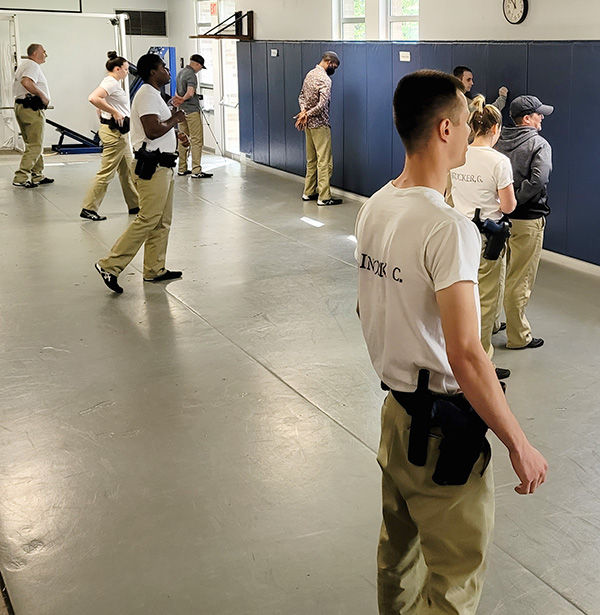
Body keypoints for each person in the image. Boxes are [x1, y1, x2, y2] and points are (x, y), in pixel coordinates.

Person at [355, 70, 547, 615]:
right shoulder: (448, 228)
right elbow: (466, 353)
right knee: (454, 584)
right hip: (442, 435)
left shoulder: (376, 205)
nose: (470, 133)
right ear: (444, 129)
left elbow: (368, 307)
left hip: (396, 416)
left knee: (398, 558)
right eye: (465, 124)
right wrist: (517, 443)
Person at [95, 53, 189, 294]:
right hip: (153, 166)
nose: (168, 71)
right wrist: (176, 118)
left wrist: (175, 134)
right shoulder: (147, 93)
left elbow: (160, 126)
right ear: (152, 72)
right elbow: (152, 130)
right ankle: (110, 265)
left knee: (162, 221)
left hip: (165, 164)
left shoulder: (154, 95)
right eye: (164, 68)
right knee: (148, 218)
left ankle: (154, 269)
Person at [451, 95, 517, 377]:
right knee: (486, 299)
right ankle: (481, 364)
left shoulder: (458, 155)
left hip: (460, 234)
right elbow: (507, 205)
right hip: (489, 238)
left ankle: (457, 352)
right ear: (495, 129)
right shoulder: (499, 162)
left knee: (462, 296)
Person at [495, 95, 553, 349]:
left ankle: (493, 323)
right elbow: (539, 179)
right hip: (528, 220)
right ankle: (518, 336)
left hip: (499, 218)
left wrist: (506, 204)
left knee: (498, 272)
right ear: (527, 118)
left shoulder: (497, 140)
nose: (542, 118)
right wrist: (517, 200)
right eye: (539, 114)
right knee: (520, 278)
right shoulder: (539, 144)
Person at [79, 52, 139, 221]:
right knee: (106, 172)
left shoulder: (112, 83)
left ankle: (135, 204)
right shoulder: (111, 82)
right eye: (126, 70)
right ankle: (88, 208)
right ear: (117, 69)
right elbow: (93, 98)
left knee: (127, 170)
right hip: (115, 134)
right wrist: (114, 112)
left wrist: (104, 110)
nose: (127, 73)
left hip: (122, 134)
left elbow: (101, 101)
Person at [295, 51, 342, 206]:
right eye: (334, 66)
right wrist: (307, 113)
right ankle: (324, 197)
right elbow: (322, 105)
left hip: (308, 125)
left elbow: (301, 96)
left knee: (311, 160)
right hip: (320, 125)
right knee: (325, 162)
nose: (334, 69)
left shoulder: (310, 74)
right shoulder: (325, 79)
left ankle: (308, 192)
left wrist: (303, 113)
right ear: (328, 62)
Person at [12, 43, 53, 188]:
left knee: (34, 143)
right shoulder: (32, 65)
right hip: (31, 108)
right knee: (35, 144)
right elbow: (26, 82)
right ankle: (21, 177)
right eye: (43, 51)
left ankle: (38, 175)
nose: (45, 54)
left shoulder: (25, 65)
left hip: (22, 107)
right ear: (35, 53)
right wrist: (43, 97)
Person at [175, 54, 212, 179]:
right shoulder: (191, 74)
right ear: (196, 64)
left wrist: (179, 101)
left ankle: (181, 168)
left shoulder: (181, 73)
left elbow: (177, 92)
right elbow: (190, 92)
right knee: (196, 140)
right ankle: (196, 170)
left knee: (183, 139)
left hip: (181, 112)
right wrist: (183, 99)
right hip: (191, 111)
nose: (199, 70)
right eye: (200, 68)